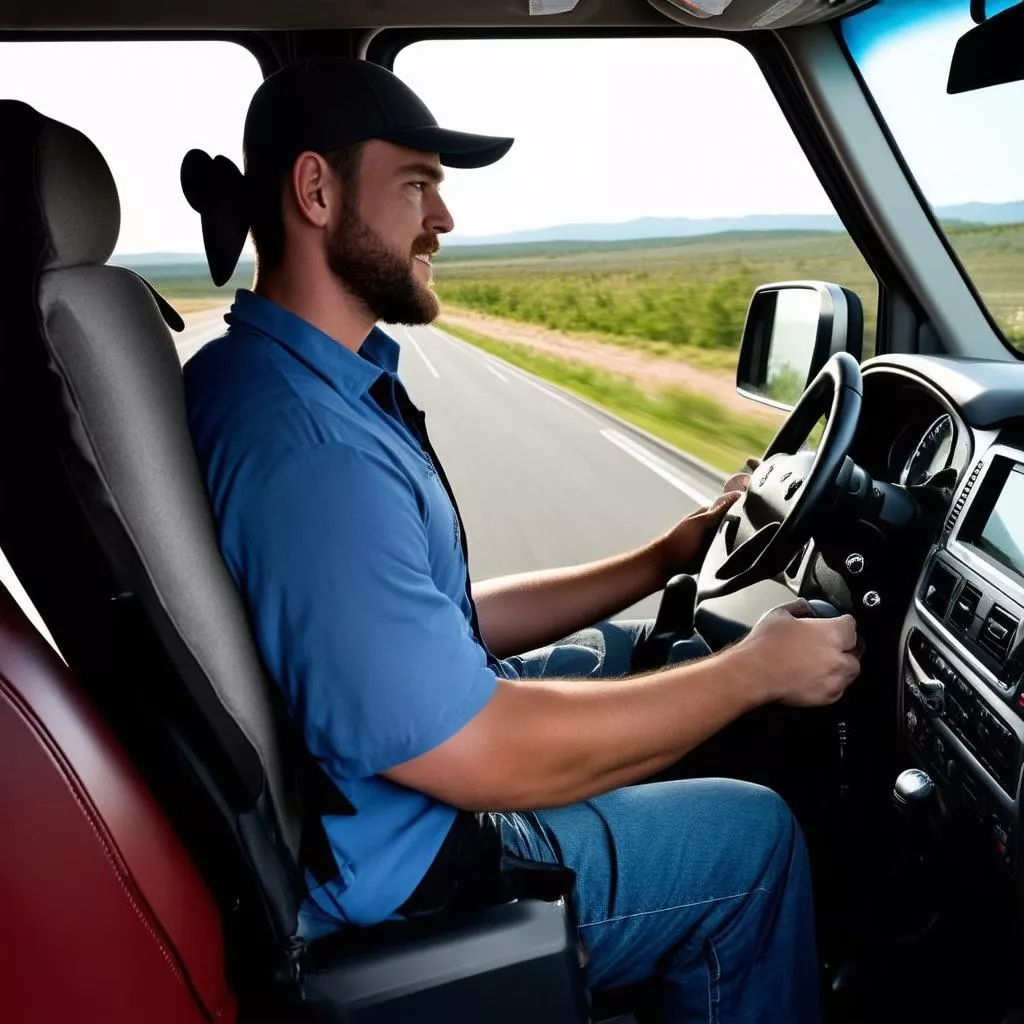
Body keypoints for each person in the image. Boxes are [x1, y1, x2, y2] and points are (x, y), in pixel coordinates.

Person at [182, 57, 861, 1023]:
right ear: (317, 191)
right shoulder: (309, 449)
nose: (444, 220)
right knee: (753, 842)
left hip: (394, 797)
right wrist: (753, 675)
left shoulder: (295, 381)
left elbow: (436, 628)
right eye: (417, 185)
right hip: (417, 863)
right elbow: (475, 752)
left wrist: (659, 559)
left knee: (640, 652)